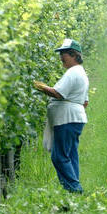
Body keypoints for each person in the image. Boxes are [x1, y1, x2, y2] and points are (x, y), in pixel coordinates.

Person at [34, 38, 89, 193]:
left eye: (63, 54)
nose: (61, 58)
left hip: (67, 119)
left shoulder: (72, 73)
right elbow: (85, 102)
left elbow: (58, 93)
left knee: (59, 156)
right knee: (70, 155)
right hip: (75, 118)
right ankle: (73, 190)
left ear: (73, 54)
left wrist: (42, 87)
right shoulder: (81, 73)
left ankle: (74, 189)